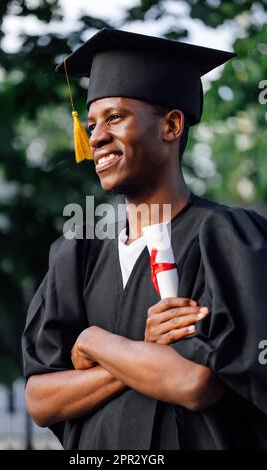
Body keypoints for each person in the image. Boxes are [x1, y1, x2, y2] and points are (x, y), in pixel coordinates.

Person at [22, 28, 267, 449]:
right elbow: (41, 399)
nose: (96, 136)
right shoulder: (77, 254)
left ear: (171, 125)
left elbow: (194, 382)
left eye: (115, 118)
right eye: (93, 122)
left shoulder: (227, 238)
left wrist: (92, 342)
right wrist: (142, 350)